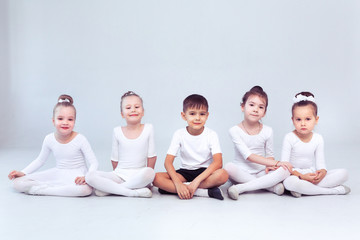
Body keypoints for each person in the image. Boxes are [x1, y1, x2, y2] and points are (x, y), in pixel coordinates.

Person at [8, 94, 98, 196]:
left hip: (77, 174)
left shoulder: (80, 139)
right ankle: (54, 188)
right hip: (58, 173)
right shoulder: (49, 139)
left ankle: (40, 190)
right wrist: (23, 172)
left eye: (70, 119)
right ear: (53, 121)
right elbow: (40, 160)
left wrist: (86, 177)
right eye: (60, 119)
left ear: (74, 121)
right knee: (17, 183)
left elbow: (94, 162)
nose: (65, 122)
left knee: (85, 190)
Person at [153, 94, 228, 200]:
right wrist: (178, 183)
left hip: (205, 173)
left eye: (202, 114)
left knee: (223, 174)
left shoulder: (211, 134)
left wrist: (196, 182)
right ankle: (203, 192)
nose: (197, 118)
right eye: (192, 114)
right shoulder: (179, 134)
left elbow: (218, 163)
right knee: (156, 178)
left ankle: (176, 189)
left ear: (207, 115)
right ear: (184, 116)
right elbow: (168, 162)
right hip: (185, 172)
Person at [225, 86, 292, 200]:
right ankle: (270, 187)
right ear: (243, 107)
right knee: (228, 167)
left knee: (285, 170)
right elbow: (249, 156)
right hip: (241, 172)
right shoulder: (234, 130)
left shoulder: (268, 130)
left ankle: (241, 188)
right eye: (251, 105)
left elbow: (270, 155)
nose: (255, 109)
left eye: (261, 107)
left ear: (264, 112)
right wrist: (277, 163)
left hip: (261, 172)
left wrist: (271, 166)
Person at [85, 91, 156, 198]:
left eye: (137, 107)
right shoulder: (117, 131)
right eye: (128, 108)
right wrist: (116, 175)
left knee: (150, 172)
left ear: (143, 111)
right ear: (122, 114)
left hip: (140, 174)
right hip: (119, 175)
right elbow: (114, 159)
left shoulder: (148, 128)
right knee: (90, 176)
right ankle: (130, 191)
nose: (133, 110)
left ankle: (111, 189)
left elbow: (152, 156)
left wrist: (148, 181)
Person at [282, 92, 350, 197]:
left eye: (308, 119)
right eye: (298, 119)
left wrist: (322, 172)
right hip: (295, 175)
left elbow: (320, 164)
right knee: (289, 183)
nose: (303, 123)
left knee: (344, 173)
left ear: (316, 120)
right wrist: (302, 176)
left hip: (311, 174)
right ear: (293, 120)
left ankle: (305, 189)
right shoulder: (289, 138)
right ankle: (333, 191)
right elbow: (285, 166)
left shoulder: (318, 138)